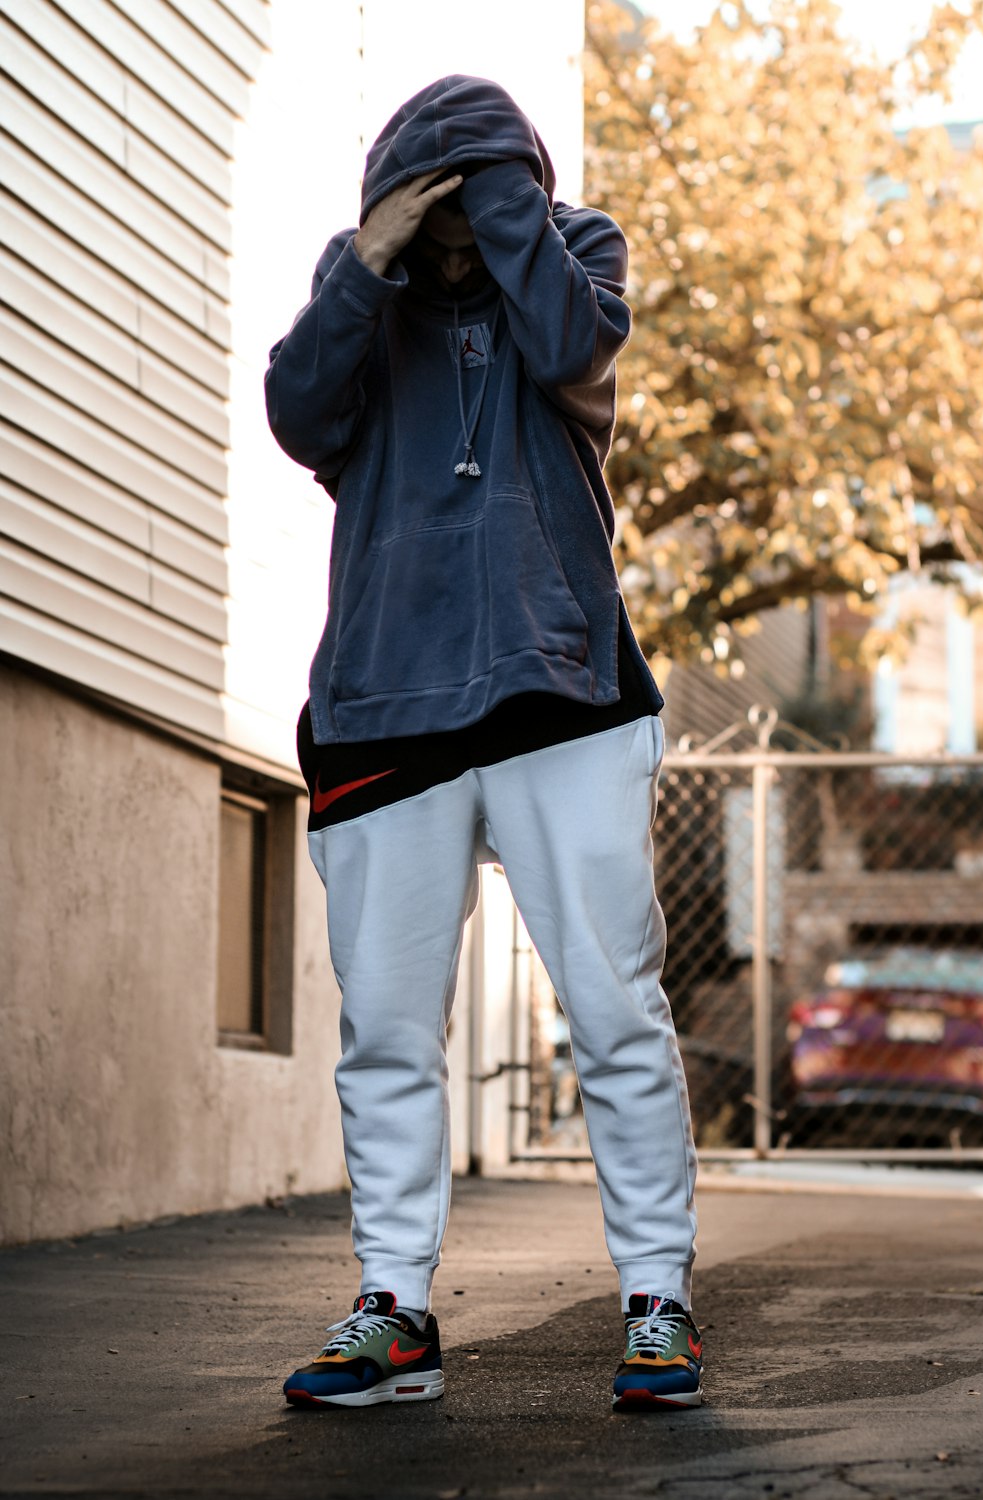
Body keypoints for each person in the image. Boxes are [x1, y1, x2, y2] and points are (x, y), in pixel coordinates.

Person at [264, 74, 700, 1412]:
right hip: (386, 708)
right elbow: (296, 413)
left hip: (560, 694)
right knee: (389, 1033)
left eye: (483, 199)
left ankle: (657, 1303)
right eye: (436, 202)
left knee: (617, 1012)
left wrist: (500, 189)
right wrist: (369, 256)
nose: (460, 228)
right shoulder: (364, 310)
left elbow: (569, 342)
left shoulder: (575, 258)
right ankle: (393, 1309)